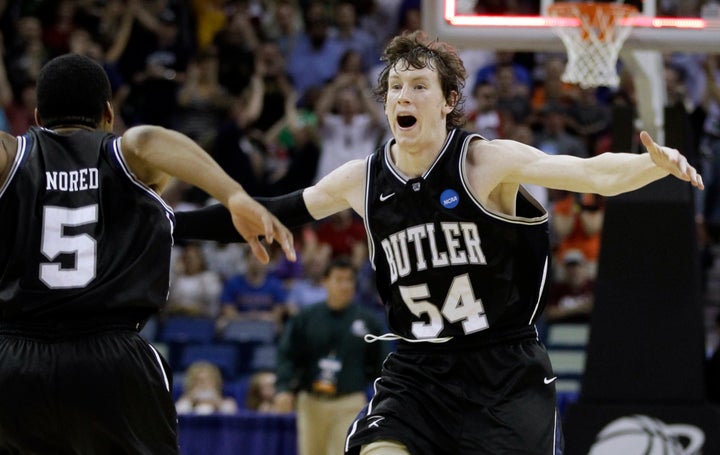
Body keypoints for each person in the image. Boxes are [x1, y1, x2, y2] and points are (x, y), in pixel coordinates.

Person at [173, 30, 703, 455]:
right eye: (396, 86)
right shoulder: (362, 178)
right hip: (418, 372)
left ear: (449, 101)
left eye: (419, 85)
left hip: (504, 369)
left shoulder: (483, 162)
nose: (404, 95)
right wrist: (173, 225)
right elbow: (272, 212)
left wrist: (648, 165)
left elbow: (589, 173)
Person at [0, 53, 295, 454]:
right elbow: (149, 140)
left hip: (14, 361)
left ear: (36, 116)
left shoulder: (11, 155)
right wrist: (234, 194)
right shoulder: (125, 155)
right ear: (108, 113)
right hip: (111, 358)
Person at [274, 256, 388, 455]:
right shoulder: (306, 317)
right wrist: (284, 387)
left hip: (349, 401)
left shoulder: (370, 321)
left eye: (349, 280)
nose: (345, 286)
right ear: (325, 282)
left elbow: (383, 363)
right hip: (311, 400)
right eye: (339, 279)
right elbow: (287, 354)